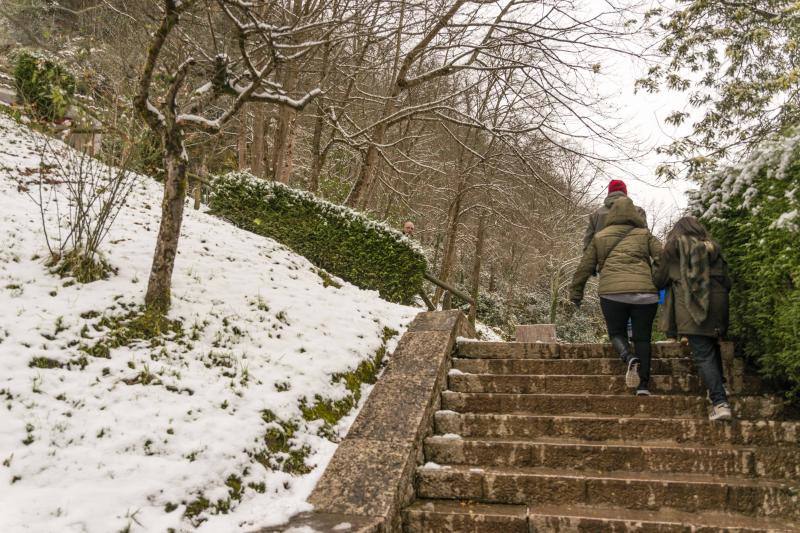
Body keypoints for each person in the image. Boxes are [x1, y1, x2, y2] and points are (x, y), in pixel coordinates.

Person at [570, 196, 662, 395]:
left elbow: (584, 267)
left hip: (613, 294)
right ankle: (643, 386)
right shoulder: (644, 234)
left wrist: (576, 293)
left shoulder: (600, 237)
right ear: (634, 214)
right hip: (645, 295)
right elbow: (663, 258)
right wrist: (656, 279)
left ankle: (628, 357)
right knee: (643, 339)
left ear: (611, 214)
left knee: (616, 333)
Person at [653, 216, 733, 421]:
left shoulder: (673, 249)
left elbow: (659, 280)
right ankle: (720, 384)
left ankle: (720, 402)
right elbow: (727, 280)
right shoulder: (714, 248)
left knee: (703, 353)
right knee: (712, 343)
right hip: (719, 303)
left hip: (691, 306)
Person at [583, 179, 648, 251]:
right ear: (625, 193)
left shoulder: (597, 215)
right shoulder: (638, 212)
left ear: (609, 193)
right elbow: (646, 239)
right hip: (635, 259)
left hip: (603, 261)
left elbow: (588, 244)